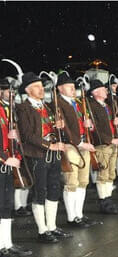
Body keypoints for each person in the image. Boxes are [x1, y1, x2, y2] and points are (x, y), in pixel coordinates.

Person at [17, 72, 72, 243]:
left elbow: (52, 128)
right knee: (40, 191)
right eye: (37, 87)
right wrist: (50, 145)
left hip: (53, 154)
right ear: (28, 90)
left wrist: (59, 127)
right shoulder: (22, 109)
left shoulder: (47, 107)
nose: (41, 90)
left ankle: (52, 227)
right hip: (38, 155)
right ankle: (42, 231)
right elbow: (27, 135)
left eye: (41, 87)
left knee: (54, 189)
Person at [55, 73, 96, 227]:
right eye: (69, 86)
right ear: (60, 88)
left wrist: (89, 126)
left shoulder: (77, 103)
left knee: (83, 181)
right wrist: (79, 143)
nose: (73, 88)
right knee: (71, 182)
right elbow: (64, 128)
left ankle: (79, 213)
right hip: (70, 146)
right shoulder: (58, 103)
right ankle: (72, 217)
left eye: (73, 86)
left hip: (83, 144)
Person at [0, 84, 32, 257]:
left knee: (6, 206)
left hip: (7, 164)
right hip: (3, 162)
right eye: (7, 90)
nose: (11, 94)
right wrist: (4, 158)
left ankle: (7, 244)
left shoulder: (5, 109)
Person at [87, 79, 118, 214]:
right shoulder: (92, 106)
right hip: (102, 144)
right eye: (103, 89)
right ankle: (104, 201)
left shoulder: (107, 106)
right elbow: (95, 129)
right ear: (95, 92)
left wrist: (116, 124)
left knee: (110, 174)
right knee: (103, 174)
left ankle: (108, 200)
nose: (106, 91)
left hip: (112, 142)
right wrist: (110, 140)